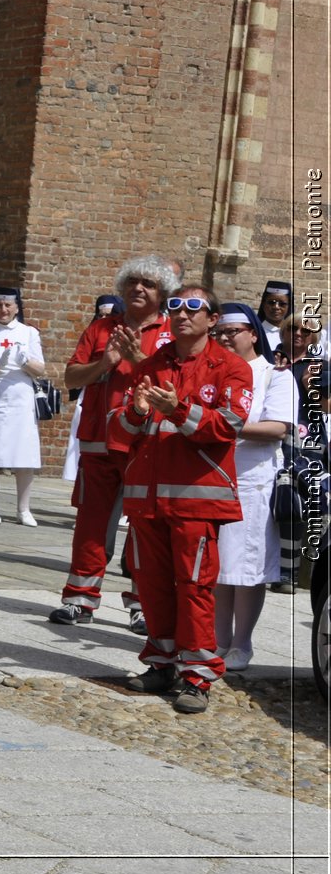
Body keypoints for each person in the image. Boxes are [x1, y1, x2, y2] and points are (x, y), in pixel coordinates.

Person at [112, 286, 251, 714]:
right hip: (148, 500)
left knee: (194, 589)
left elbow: (226, 427)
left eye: (193, 308)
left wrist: (177, 409)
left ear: (212, 319)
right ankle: (161, 663)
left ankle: (197, 676)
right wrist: (135, 411)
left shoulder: (230, 368)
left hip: (196, 501)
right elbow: (122, 429)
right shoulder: (152, 364)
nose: (181, 314)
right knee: (151, 587)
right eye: (175, 307)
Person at [49, 255, 177, 629]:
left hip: (147, 445)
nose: (139, 288)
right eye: (133, 282)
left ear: (162, 293)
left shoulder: (172, 334)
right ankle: (79, 598)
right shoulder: (101, 328)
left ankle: (143, 605)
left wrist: (139, 360)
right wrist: (104, 363)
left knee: (145, 529)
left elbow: (175, 385)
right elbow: (72, 377)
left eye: (148, 284)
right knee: (91, 523)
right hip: (99, 442)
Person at [209, 302, 296, 670]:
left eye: (235, 331)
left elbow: (277, 428)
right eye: (221, 332)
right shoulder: (213, 372)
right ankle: (217, 641)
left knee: (246, 569)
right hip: (212, 476)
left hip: (252, 479)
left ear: (252, 334)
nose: (227, 337)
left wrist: (220, 427)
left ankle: (242, 643)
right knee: (217, 568)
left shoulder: (274, 375)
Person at [0, 286, 47, 525]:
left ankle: (23, 509)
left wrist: (24, 361)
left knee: (24, 455)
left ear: (16, 307)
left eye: (8, 305)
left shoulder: (29, 333)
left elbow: (40, 369)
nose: (3, 310)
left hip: (20, 398)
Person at [275, 311, 327, 591]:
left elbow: (328, 407)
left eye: (305, 331)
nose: (298, 334)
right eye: (292, 328)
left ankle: (288, 572)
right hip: (270, 435)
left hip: (306, 441)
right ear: (283, 330)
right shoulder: (268, 359)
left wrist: (309, 385)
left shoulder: (320, 366)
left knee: (291, 501)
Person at [63, 294, 124, 482]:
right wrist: (101, 364)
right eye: (100, 315)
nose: (104, 319)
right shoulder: (95, 332)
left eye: (109, 315)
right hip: (92, 398)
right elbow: (73, 374)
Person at [256, 280, 292, 355]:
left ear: (288, 307)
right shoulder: (255, 333)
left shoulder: (293, 334)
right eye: (271, 302)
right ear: (263, 304)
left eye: (282, 304)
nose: (276, 307)